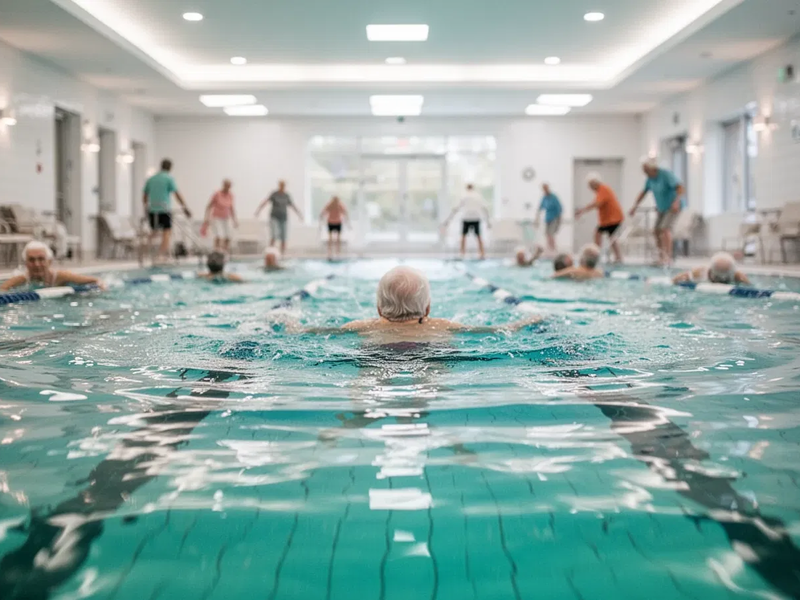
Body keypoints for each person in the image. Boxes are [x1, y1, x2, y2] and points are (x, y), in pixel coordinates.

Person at [293, 266, 541, 343]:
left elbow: (317, 331)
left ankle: (352, 419)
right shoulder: (441, 325)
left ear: (379, 308)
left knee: (367, 383)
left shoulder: (365, 325)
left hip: (380, 349)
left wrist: (289, 323)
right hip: (428, 350)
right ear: (428, 307)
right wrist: (524, 321)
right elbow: (491, 330)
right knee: (431, 386)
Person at [630, 158, 686, 266]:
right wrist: (634, 207)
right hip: (662, 208)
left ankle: (668, 258)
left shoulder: (665, 174)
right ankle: (661, 256)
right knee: (656, 230)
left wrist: (676, 202)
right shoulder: (649, 179)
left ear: (652, 168)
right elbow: (643, 193)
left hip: (673, 206)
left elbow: (680, 187)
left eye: (645, 168)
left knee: (665, 229)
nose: (643, 171)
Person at [1, 241, 104, 291]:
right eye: (32, 260)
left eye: (41, 259)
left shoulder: (61, 276)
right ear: (26, 263)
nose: (37, 264)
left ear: (49, 261)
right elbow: (2, 289)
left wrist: (101, 285)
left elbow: (95, 280)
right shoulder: (22, 279)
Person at [143, 159, 192, 264]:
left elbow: (145, 195)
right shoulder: (169, 178)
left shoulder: (151, 179)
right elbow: (177, 194)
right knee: (166, 232)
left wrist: (146, 208)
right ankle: (161, 255)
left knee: (153, 231)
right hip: (164, 209)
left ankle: (145, 253)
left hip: (152, 209)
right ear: (170, 168)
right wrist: (185, 207)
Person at [576, 173, 624, 264]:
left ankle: (596, 255)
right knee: (610, 237)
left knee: (601, 235)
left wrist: (582, 211)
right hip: (608, 219)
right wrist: (582, 210)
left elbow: (597, 204)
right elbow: (595, 202)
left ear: (594, 183)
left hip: (613, 219)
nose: (589, 187)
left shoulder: (603, 189)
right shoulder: (600, 191)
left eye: (590, 185)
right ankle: (617, 257)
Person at [441, 184, 491, 260]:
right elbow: (484, 208)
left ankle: (462, 253)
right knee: (478, 236)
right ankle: (482, 254)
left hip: (467, 218)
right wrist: (488, 221)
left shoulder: (464, 196)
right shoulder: (478, 196)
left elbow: (456, 209)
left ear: (467, 188)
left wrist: (448, 220)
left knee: (463, 236)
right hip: (475, 218)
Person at [255, 180, 303, 255]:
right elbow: (265, 201)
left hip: (284, 218)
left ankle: (282, 254)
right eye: (281, 185)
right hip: (274, 217)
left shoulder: (286, 195)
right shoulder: (274, 194)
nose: (282, 187)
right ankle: (270, 253)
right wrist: (258, 210)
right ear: (279, 185)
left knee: (284, 237)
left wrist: (299, 214)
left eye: (284, 185)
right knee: (274, 235)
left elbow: (292, 205)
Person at [673, 252, 751, 286]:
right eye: (718, 278)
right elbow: (675, 280)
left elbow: (749, 286)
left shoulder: (738, 276)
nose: (721, 281)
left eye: (725, 279)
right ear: (711, 271)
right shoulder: (699, 273)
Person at [203, 179, 238, 253]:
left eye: (229, 186)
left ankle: (225, 252)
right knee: (218, 236)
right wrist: (206, 218)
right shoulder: (217, 194)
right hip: (216, 218)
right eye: (227, 186)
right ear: (223, 185)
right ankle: (216, 252)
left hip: (226, 218)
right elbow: (209, 206)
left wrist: (235, 220)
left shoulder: (231, 195)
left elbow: (232, 209)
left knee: (228, 236)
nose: (228, 188)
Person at [534, 183, 562, 252]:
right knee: (547, 234)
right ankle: (549, 249)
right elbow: (540, 208)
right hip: (547, 218)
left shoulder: (554, 197)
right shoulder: (544, 198)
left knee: (551, 234)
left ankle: (553, 249)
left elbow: (559, 208)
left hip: (554, 218)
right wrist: (537, 219)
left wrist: (559, 220)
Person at [319, 196, 349, 260]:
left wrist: (347, 221)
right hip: (333, 222)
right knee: (334, 238)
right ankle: (333, 252)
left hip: (335, 222)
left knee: (335, 238)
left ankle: (336, 252)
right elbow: (323, 212)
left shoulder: (335, 205)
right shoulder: (334, 205)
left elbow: (345, 213)